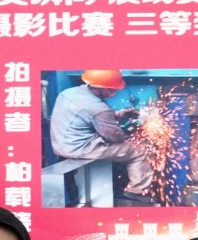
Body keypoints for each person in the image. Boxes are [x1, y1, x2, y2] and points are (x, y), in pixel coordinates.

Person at [48, 69, 153, 205]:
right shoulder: (98, 108)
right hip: (80, 148)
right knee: (138, 151)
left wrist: (117, 114)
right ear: (102, 88)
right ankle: (137, 191)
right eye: (113, 90)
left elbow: (85, 116)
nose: (115, 92)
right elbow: (114, 137)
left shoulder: (67, 93)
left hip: (61, 144)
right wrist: (135, 127)